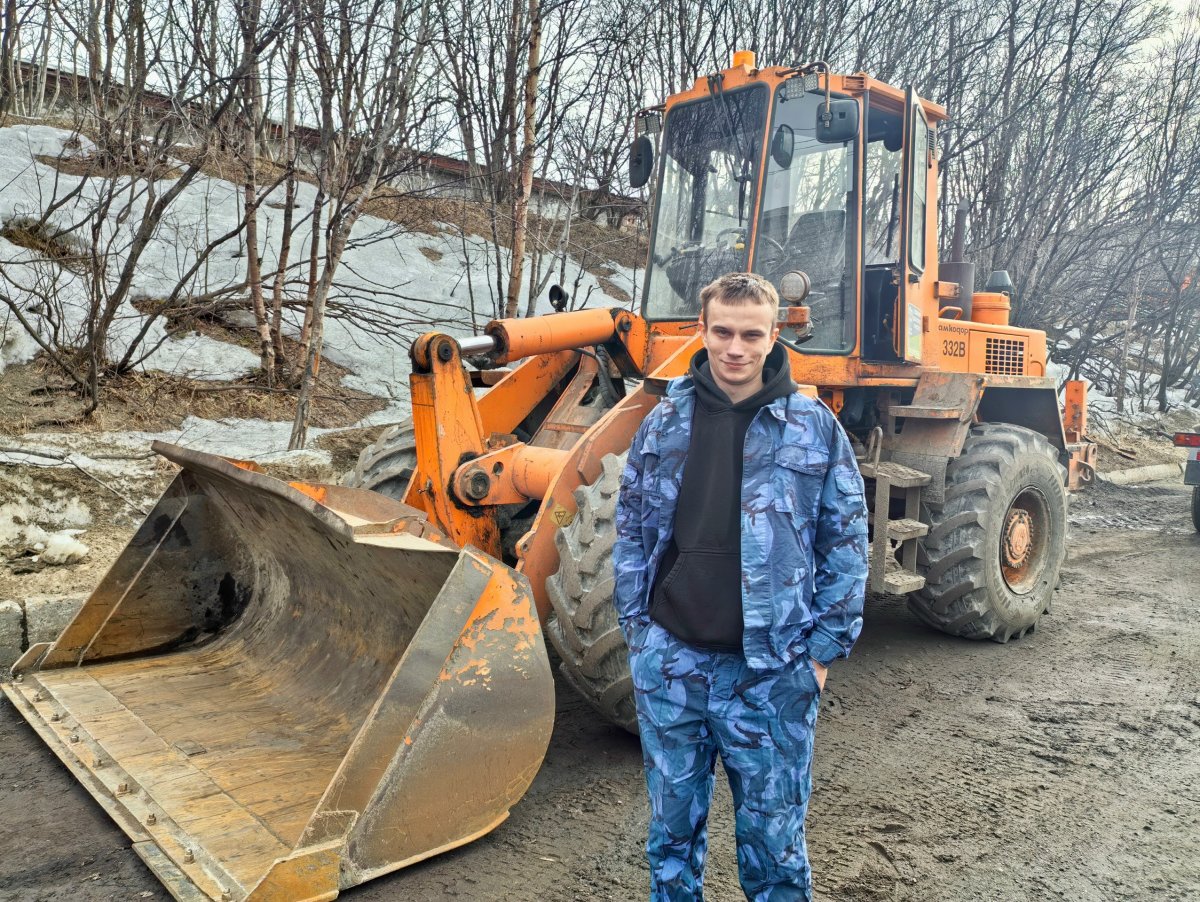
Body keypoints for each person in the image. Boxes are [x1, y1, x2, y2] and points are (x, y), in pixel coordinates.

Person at [612, 272, 869, 901]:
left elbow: (846, 542)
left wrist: (820, 654)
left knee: (775, 849)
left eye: (751, 335)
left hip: (771, 672)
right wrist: (639, 632)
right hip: (672, 664)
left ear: (774, 336)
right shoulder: (664, 422)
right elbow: (632, 527)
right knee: (671, 842)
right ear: (702, 331)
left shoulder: (812, 427)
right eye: (722, 332)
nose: (735, 348)